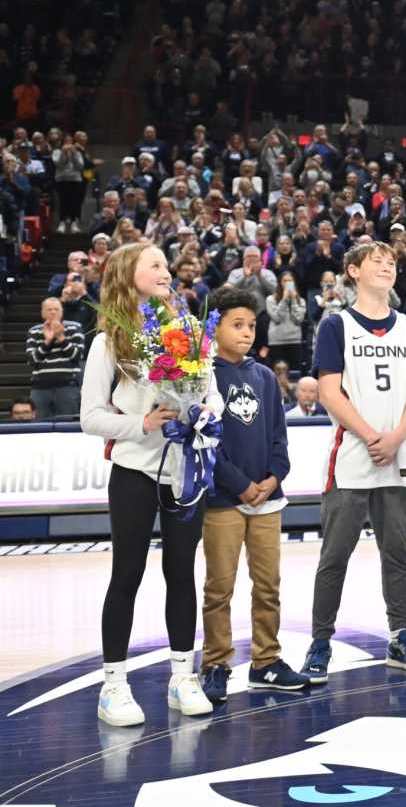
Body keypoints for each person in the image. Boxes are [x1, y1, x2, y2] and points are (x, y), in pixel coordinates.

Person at [81, 243, 224, 726]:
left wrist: (207, 413)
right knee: (128, 575)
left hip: (185, 470)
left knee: (182, 573)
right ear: (128, 274)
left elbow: (214, 395)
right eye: (156, 265)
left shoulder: (187, 333)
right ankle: (114, 686)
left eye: (167, 264)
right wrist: (142, 424)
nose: (168, 271)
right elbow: (90, 417)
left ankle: (183, 676)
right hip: (135, 472)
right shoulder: (107, 343)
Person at [299, 242, 406, 686]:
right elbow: (328, 392)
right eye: (376, 261)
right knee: (334, 555)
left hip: (398, 456)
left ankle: (400, 636)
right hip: (353, 457)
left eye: (392, 262)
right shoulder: (336, 325)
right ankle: (320, 642)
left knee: (397, 553)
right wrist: (372, 435)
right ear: (353, 270)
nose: (386, 266)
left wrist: (395, 437)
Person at [199, 288, 308, 702]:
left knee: (268, 585)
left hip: (267, 499)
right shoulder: (202, 375)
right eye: (237, 325)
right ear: (216, 328)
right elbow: (205, 443)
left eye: (251, 325)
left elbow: (279, 437)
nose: (246, 333)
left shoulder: (264, 376)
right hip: (223, 500)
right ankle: (216, 663)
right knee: (219, 587)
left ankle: (266, 661)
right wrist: (240, 484)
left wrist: (272, 478)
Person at [27, 296, 85, 419]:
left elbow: (77, 356)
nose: (53, 312)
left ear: (62, 312)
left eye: (56, 309)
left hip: (68, 386)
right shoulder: (34, 332)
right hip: (40, 387)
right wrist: (47, 341)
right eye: (49, 310)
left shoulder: (74, 328)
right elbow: (32, 360)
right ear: (42, 313)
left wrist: (60, 337)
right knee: (38, 426)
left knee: (67, 425)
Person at [265, 271, 306, 371]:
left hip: (294, 340)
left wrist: (293, 301)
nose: (287, 283)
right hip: (276, 341)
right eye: (285, 281)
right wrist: (284, 299)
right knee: (277, 372)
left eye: (290, 281)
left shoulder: (301, 300)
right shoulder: (271, 299)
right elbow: (277, 318)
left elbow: (299, 319)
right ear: (280, 283)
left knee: (294, 372)